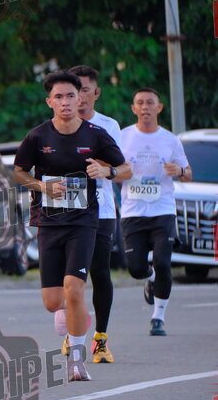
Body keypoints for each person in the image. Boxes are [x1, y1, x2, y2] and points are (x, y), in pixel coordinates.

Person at [13, 70, 128, 381]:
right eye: (59, 97)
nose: (65, 102)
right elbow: (19, 172)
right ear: (49, 101)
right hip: (49, 222)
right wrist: (41, 186)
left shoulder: (96, 135)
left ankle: (77, 358)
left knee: (75, 288)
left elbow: (125, 168)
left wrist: (107, 172)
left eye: (71, 96)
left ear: (81, 99)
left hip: (83, 221)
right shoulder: (38, 136)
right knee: (53, 302)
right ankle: (71, 311)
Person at [62, 65, 132, 363]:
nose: (79, 98)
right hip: (66, 208)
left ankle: (100, 339)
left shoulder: (108, 126)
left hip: (101, 208)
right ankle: (72, 331)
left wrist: (106, 169)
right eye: (74, 92)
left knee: (99, 272)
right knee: (68, 276)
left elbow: (123, 169)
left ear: (96, 93)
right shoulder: (58, 125)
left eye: (85, 91)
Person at [119, 87, 192, 336]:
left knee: (162, 262)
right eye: (140, 102)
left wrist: (179, 171)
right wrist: (119, 172)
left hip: (163, 211)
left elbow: (188, 173)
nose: (145, 107)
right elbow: (111, 170)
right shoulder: (123, 137)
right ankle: (149, 279)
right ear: (134, 108)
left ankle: (158, 317)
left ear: (159, 107)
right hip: (133, 212)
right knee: (136, 268)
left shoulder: (170, 140)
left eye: (150, 102)